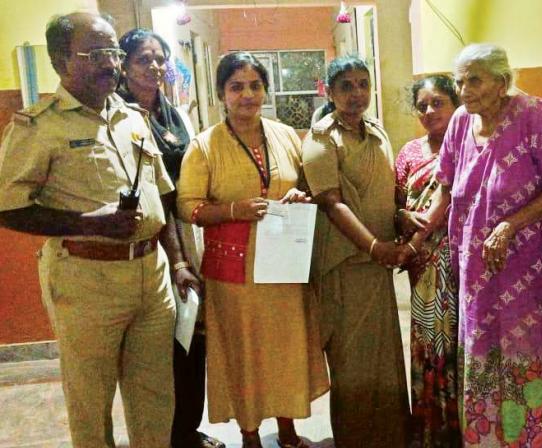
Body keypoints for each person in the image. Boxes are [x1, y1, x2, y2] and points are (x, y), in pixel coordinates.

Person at [0, 12, 193, 447]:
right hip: (87, 282)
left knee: (155, 398)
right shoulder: (39, 126)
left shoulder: (130, 116)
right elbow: (7, 208)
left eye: (113, 53)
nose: (111, 64)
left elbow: (161, 196)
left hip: (152, 275)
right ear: (59, 60)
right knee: (91, 400)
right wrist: (88, 223)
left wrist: (178, 260)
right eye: (96, 54)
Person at [416, 44, 542, 447]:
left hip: (528, 265)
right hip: (477, 266)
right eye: (459, 80)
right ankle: (491, 439)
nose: (464, 89)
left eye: (474, 79)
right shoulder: (461, 121)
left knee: (529, 349)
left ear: (502, 81)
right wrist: (417, 234)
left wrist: (511, 224)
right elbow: (447, 188)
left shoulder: (534, 114)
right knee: (482, 345)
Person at [176, 52, 328, 448]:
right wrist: (232, 210)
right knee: (244, 355)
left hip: (283, 268)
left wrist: (300, 195)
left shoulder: (283, 134)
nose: (247, 95)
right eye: (236, 87)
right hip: (235, 276)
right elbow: (186, 206)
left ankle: (289, 427)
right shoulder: (204, 146)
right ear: (221, 94)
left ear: (266, 89)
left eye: (255, 85)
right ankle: (249, 433)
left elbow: (307, 184)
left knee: (285, 349)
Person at [117, 28, 224, 448]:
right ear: (124, 66)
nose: (156, 67)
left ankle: (187, 429)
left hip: (183, 235)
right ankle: (159, 435)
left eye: (160, 59)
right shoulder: (117, 115)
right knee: (155, 346)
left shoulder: (173, 115)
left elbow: (183, 183)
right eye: (145, 59)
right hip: (145, 240)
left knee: (192, 336)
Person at [302, 55, 410, 448]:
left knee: (383, 358)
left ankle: (391, 436)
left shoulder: (377, 130)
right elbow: (331, 202)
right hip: (345, 265)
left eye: (363, 83)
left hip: (378, 265)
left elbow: (386, 190)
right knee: (353, 363)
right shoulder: (321, 139)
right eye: (345, 85)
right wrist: (373, 245)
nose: (356, 93)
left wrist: (400, 217)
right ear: (329, 92)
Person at [395, 75, 461, 447]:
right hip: (420, 266)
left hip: (458, 257)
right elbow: (394, 202)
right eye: (422, 105)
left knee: (456, 340)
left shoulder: (470, 147)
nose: (429, 111)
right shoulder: (408, 153)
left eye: (438, 102)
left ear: (455, 104)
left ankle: (461, 423)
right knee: (426, 339)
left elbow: (452, 200)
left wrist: (414, 242)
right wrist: (402, 218)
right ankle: (430, 424)